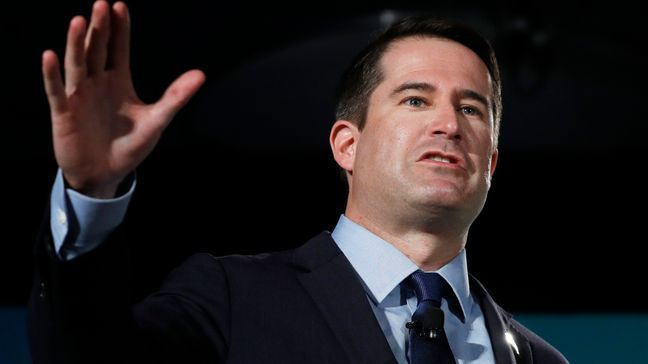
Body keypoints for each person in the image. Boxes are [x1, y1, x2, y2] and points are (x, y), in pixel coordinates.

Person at [30, 1, 568, 363]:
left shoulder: (540, 360)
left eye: (471, 109)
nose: (449, 124)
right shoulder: (231, 299)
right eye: (415, 99)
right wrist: (90, 192)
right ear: (346, 145)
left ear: (491, 164)